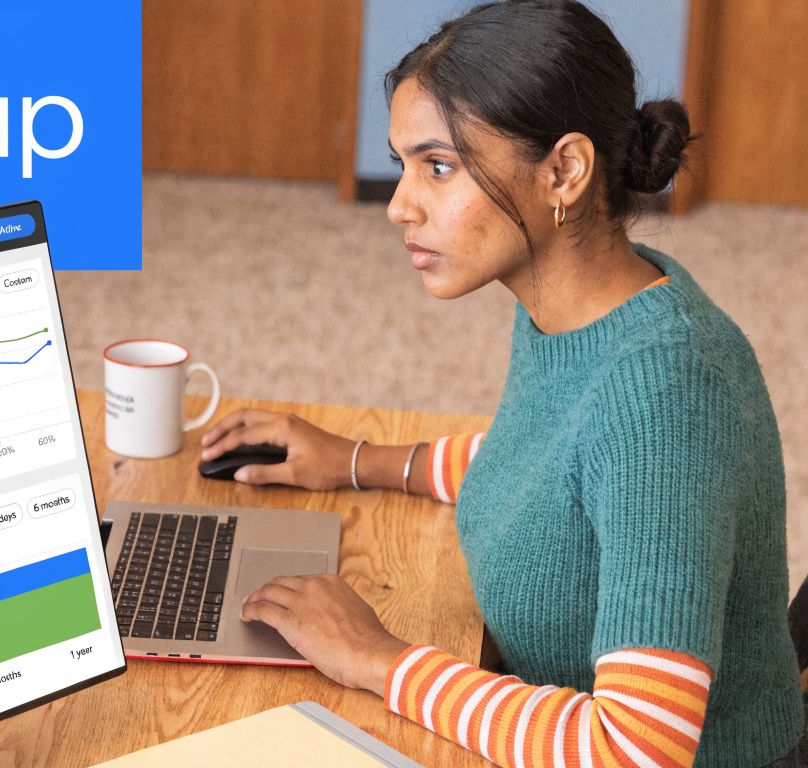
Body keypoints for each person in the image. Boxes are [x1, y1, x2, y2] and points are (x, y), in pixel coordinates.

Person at [198, 2, 807, 766]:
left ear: (564, 170)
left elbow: (638, 748)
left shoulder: (668, 390)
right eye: (403, 165)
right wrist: (353, 460)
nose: (399, 205)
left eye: (439, 167)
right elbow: (547, 464)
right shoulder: (591, 304)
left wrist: (379, 659)